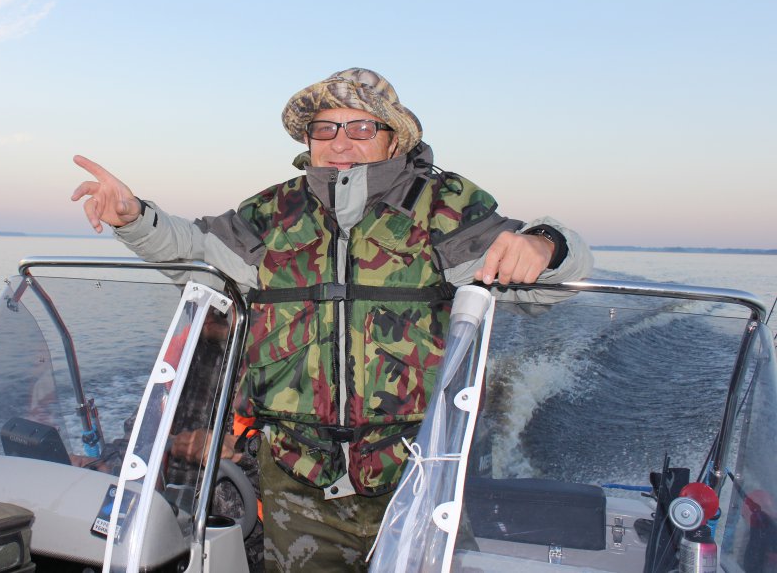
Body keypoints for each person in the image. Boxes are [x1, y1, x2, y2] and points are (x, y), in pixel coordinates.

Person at [71, 67, 593, 572]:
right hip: (296, 482)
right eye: (325, 128)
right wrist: (134, 219)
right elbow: (195, 251)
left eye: (361, 127)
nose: (340, 142)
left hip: (419, 474)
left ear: (393, 139)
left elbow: (536, 280)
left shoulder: (443, 207)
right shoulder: (272, 213)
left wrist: (544, 244)